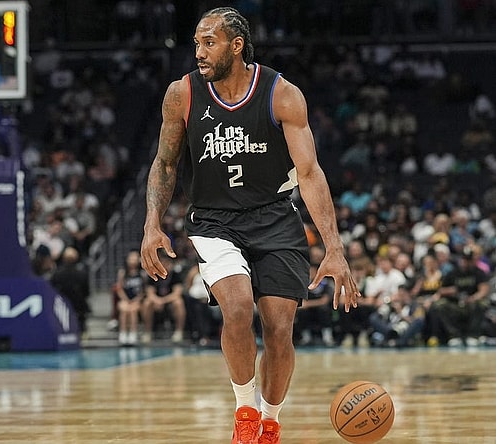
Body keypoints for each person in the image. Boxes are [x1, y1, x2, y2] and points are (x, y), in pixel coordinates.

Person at [139, 7, 360, 443]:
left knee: (279, 329)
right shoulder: (181, 94)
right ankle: (245, 416)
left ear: (236, 46)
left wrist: (334, 248)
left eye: (210, 42)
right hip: (214, 221)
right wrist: (152, 223)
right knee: (238, 307)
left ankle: (270, 424)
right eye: (197, 43)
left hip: (275, 217)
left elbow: (311, 172)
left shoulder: (282, 94)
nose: (199, 52)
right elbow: (164, 163)